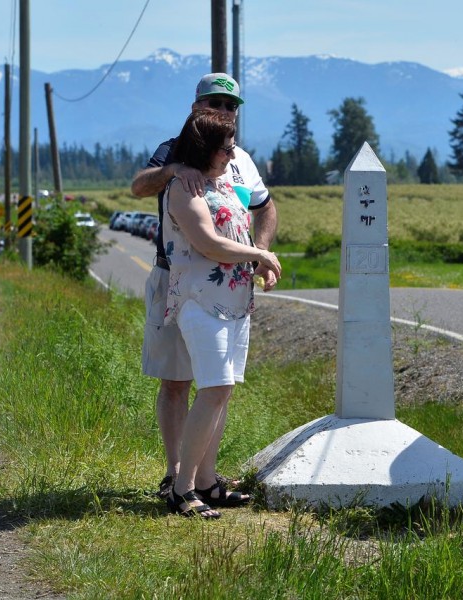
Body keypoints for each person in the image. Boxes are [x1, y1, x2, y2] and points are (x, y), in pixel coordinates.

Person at [130, 73, 278, 503]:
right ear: (196, 106)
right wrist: (175, 169)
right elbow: (139, 186)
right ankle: (177, 476)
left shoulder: (240, 159)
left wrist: (259, 250)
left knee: (218, 385)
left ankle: (200, 479)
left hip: (230, 286)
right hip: (178, 278)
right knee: (177, 380)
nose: (225, 111)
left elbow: (265, 207)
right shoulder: (173, 152)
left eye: (232, 106)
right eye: (216, 103)